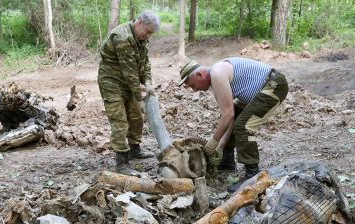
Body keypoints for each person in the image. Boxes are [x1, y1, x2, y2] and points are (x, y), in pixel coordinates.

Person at [178, 57, 288, 192]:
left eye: (193, 85)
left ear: (200, 75)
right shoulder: (216, 77)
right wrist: (221, 145)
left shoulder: (217, 74)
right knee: (234, 118)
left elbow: (228, 115)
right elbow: (229, 116)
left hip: (274, 86)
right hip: (261, 89)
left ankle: (252, 173)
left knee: (244, 126)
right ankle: (227, 161)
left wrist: (213, 142)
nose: (194, 90)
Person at [97, 11, 160, 176]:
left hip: (127, 82)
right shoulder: (123, 37)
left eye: (151, 34)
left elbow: (144, 62)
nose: (148, 37)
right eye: (147, 32)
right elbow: (130, 72)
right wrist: (139, 98)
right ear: (139, 23)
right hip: (111, 81)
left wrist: (147, 82)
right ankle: (122, 162)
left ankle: (134, 149)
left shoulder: (141, 38)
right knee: (120, 121)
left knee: (136, 117)